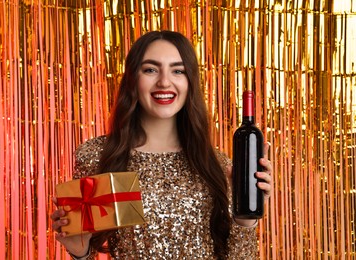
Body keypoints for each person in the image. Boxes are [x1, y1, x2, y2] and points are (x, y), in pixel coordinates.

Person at [51, 30, 273, 259]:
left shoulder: (217, 166)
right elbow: (84, 246)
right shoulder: (97, 156)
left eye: (178, 71)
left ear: (190, 82)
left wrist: (246, 218)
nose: (164, 81)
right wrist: (79, 252)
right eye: (150, 70)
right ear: (132, 79)